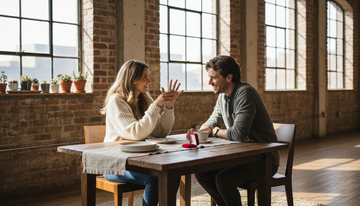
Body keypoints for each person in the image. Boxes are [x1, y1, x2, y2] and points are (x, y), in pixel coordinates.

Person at [188, 55, 279, 206]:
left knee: (224, 180)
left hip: (264, 160)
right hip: (242, 157)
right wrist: (202, 132)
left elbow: (238, 134)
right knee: (202, 173)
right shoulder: (223, 96)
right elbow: (212, 121)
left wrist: (215, 132)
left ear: (229, 77)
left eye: (213, 78)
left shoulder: (246, 93)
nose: (209, 82)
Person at [100, 59, 183, 206]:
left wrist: (168, 106)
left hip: (137, 159)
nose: (149, 80)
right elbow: (136, 133)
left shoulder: (144, 98)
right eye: (144, 77)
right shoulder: (116, 101)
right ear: (131, 78)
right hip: (116, 163)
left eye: (148, 76)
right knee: (154, 178)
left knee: (173, 173)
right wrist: (156, 105)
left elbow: (160, 132)